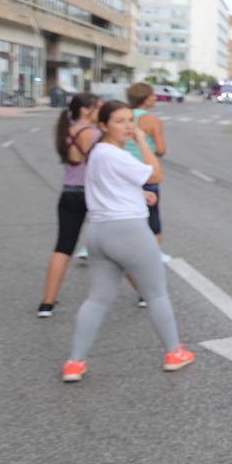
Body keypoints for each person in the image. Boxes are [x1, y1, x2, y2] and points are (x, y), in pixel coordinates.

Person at [60, 101, 194, 383]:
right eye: (119, 121)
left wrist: (137, 194)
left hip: (99, 232)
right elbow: (155, 174)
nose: (128, 126)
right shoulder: (116, 154)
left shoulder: (98, 152)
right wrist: (143, 142)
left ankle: (75, 361)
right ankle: (173, 353)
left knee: (97, 299)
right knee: (156, 293)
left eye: (130, 120)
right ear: (103, 126)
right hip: (129, 231)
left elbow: (105, 186)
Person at [38, 93, 101, 317]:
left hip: (68, 193)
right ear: (86, 110)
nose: (100, 112)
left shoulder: (65, 129)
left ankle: (47, 303)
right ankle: (145, 294)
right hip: (93, 196)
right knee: (117, 245)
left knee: (63, 247)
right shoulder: (94, 134)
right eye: (98, 108)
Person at [124, 82, 169, 260]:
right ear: (144, 98)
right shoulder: (152, 120)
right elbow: (161, 149)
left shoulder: (123, 116)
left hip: (124, 172)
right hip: (146, 173)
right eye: (152, 95)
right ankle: (153, 254)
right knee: (152, 215)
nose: (155, 98)